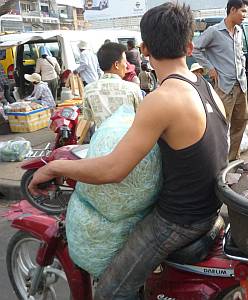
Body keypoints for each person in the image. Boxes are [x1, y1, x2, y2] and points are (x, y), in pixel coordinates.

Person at [28, 3, 228, 299]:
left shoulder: (162, 99)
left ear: (144, 49)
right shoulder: (207, 87)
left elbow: (112, 170)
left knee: (110, 290)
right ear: (189, 46)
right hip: (210, 207)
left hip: (179, 221)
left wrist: (54, 167)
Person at [193, 0, 248, 161]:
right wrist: (210, 67)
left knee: (241, 122)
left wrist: (242, 66)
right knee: (221, 124)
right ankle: (219, 160)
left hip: (241, 85)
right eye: (243, 11)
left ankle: (233, 158)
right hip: (225, 87)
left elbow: (240, 54)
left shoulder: (238, 31)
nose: (244, 15)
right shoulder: (214, 31)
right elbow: (196, 49)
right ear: (232, 10)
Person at [83, 42, 142, 128]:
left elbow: (88, 120)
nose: (126, 66)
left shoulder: (88, 90)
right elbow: (141, 118)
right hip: (129, 139)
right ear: (116, 65)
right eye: (125, 62)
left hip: (101, 139)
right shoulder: (132, 89)